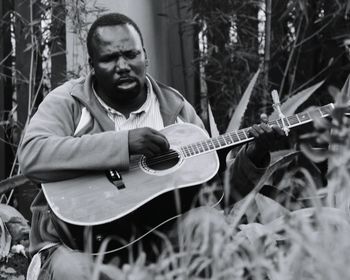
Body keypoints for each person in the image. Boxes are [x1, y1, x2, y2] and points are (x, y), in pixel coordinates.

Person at [18, 12, 283, 280]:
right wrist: (124, 144)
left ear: (145, 56)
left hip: (157, 238)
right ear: (92, 65)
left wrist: (255, 154)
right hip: (78, 244)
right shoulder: (70, 101)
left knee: (210, 225)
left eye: (131, 55)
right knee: (73, 272)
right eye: (109, 58)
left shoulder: (176, 110)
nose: (123, 65)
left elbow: (214, 193)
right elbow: (31, 155)